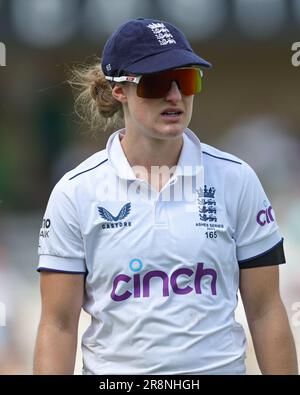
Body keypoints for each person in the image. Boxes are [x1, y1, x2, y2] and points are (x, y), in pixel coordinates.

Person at [33, 18, 298, 375]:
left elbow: (266, 310)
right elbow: (58, 325)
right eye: (157, 82)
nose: (175, 96)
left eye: (186, 80)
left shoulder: (237, 179)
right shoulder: (74, 192)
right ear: (119, 91)